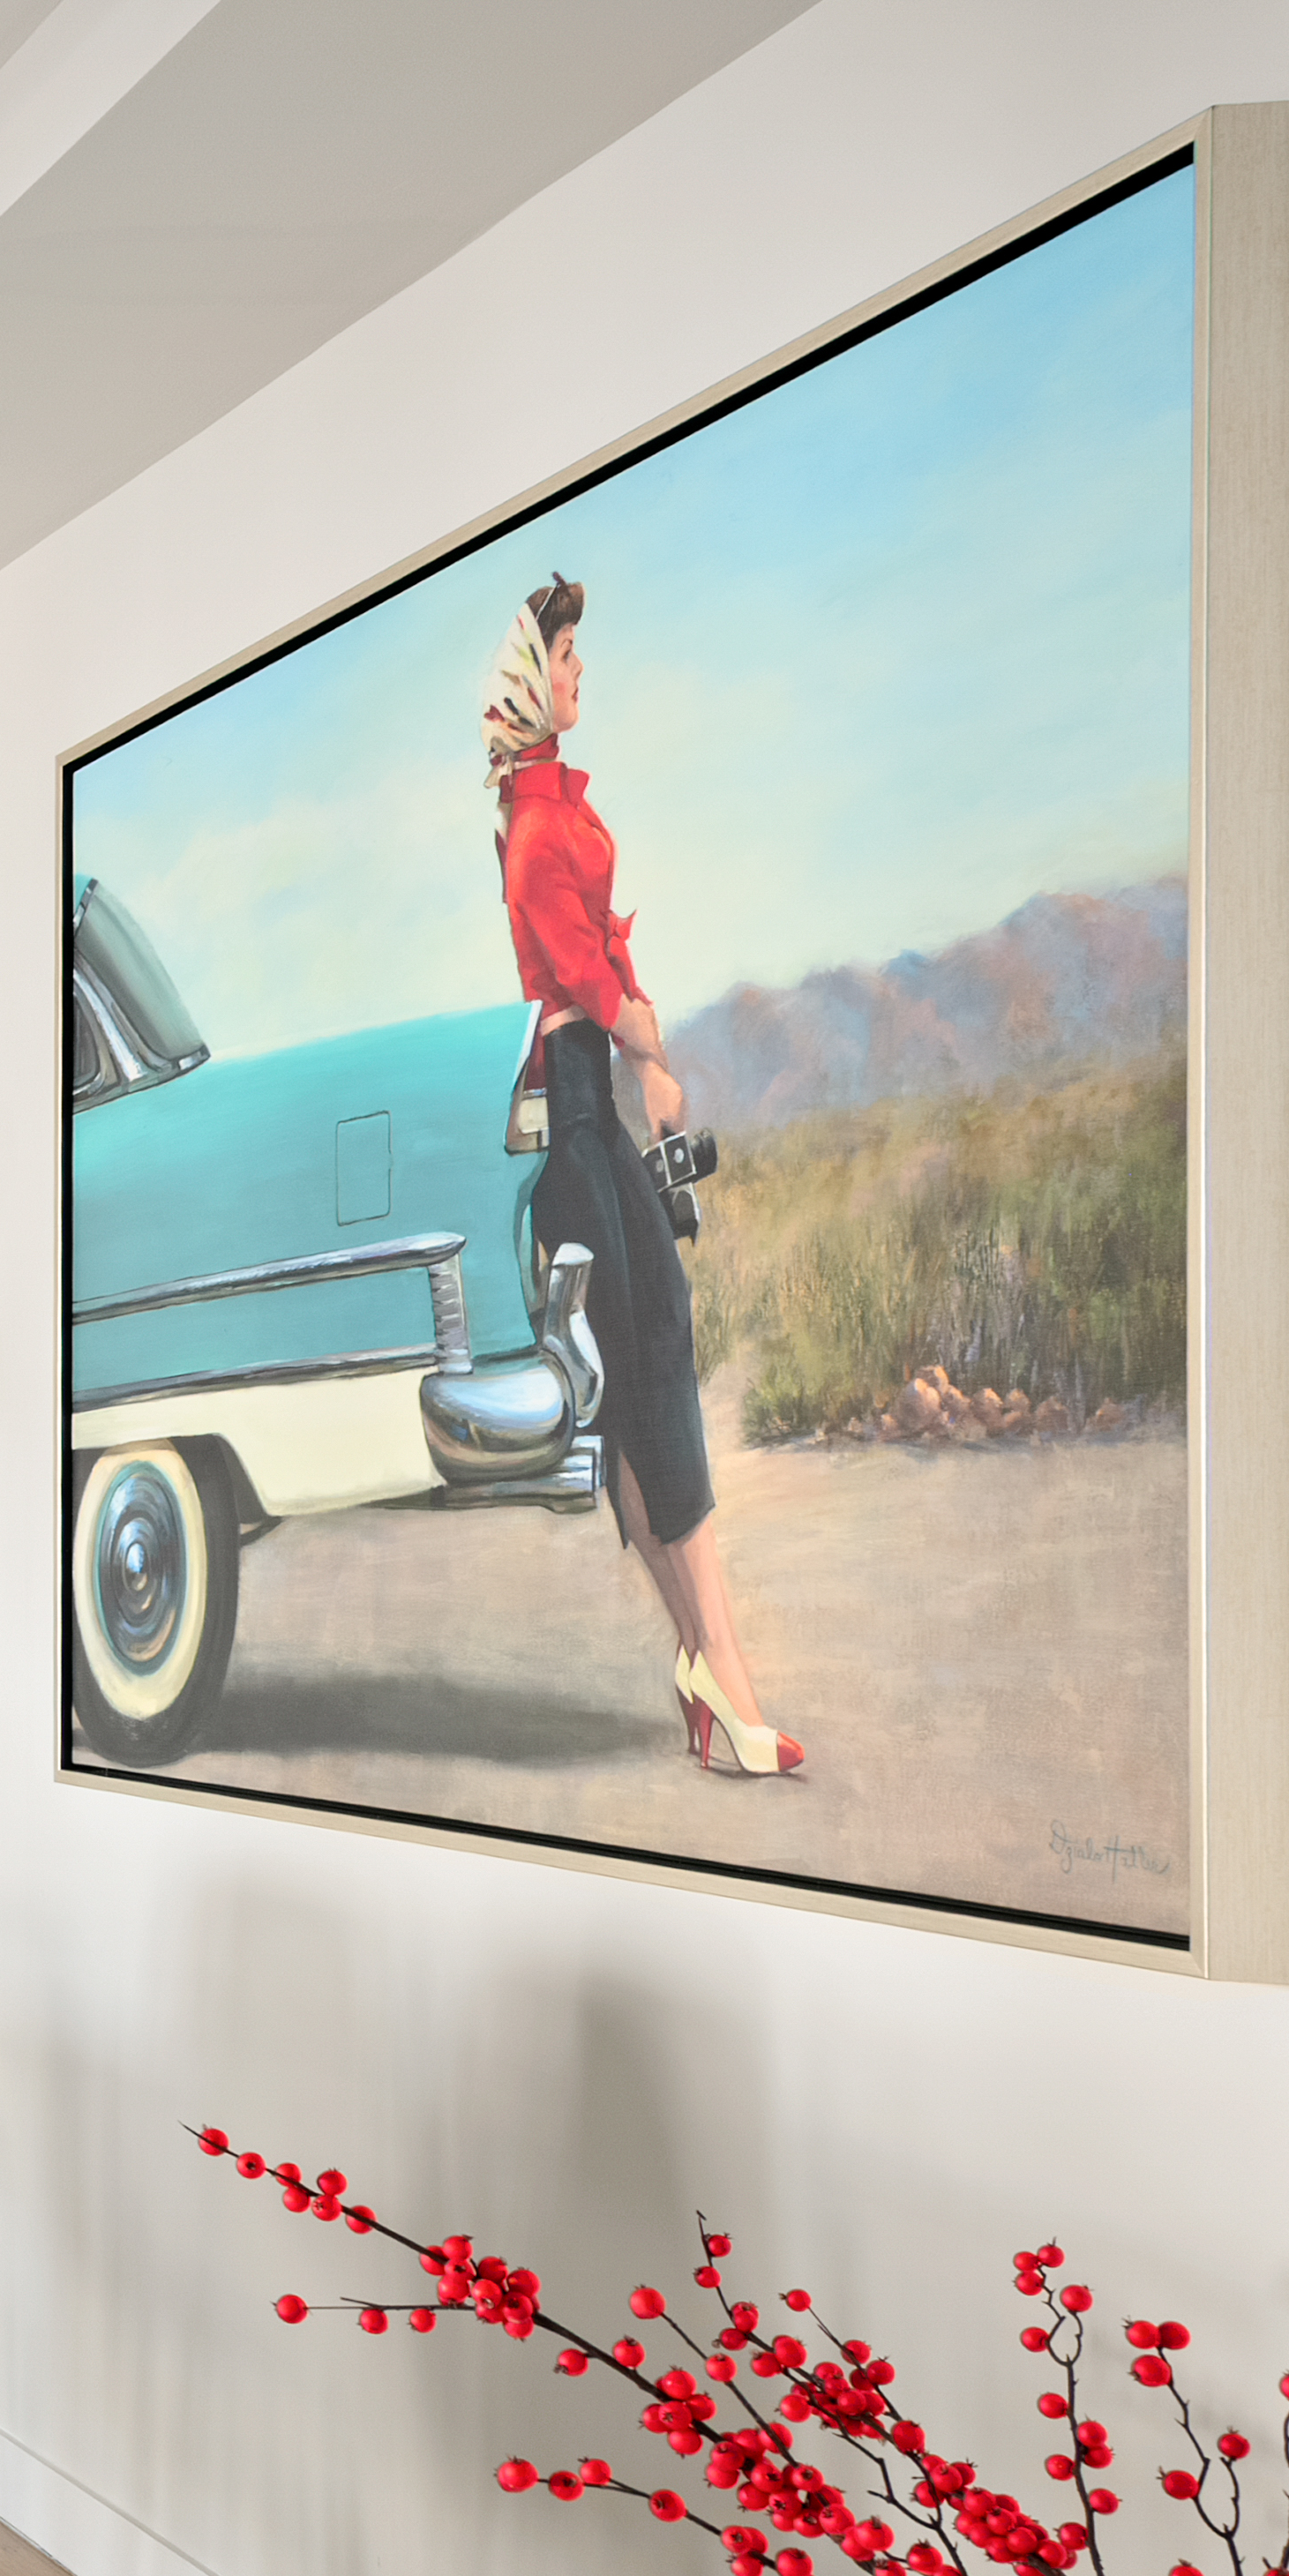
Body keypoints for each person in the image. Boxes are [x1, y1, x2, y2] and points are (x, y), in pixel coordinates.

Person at [491, 574, 803, 1779]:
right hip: (571, 1111)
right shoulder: (529, 825)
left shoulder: (557, 810)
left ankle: (712, 1678)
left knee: (651, 1363)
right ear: (530, 676)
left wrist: (650, 1036)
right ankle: (723, 1679)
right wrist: (644, 1050)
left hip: (596, 1098)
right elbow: (573, 955)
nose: (580, 675)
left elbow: (607, 936)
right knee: (646, 1369)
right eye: (566, 657)